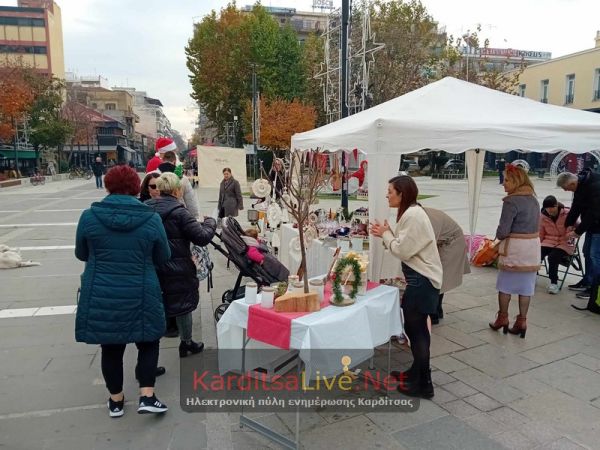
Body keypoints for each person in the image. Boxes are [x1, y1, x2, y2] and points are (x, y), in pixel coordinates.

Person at [74, 165, 171, 417]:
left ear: (107, 185)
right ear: (134, 187)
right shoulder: (151, 219)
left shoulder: (88, 217)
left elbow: (81, 253)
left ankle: (116, 401)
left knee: (111, 347)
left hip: (103, 292)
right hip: (142, 290)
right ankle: (147, 395)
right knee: (149, 341)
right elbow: (163, 256)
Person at [370, 175, 442, 399]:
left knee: (417, 331)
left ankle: (424, 383)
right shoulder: (411, 213)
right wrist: (388, 234)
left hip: (422, 280)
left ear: (402, 193)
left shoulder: (413, 215)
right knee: (414, 330)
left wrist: (386, 234)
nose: (387, 195)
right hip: (420, 279)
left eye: (390, 191)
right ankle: (416, 373)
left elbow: (402, 250)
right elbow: (402, 245)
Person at [146, 172, 217, 357]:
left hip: (152, 267)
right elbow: (201, 237)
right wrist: (210, 222)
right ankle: (186, 343)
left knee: (156, 305)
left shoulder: (145, 208)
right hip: (178, 268)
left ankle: (149, 352)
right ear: (178, 190)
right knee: (183, 305)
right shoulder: (180, 212)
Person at [489, 164, 540, 338]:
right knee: (526, 288)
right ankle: (522, 321)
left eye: (507, 180)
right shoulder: (533, 199)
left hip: (516, 248)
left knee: (505, 286)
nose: (504, 184)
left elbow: (503, 231)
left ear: (516, 181)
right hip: (532, 247)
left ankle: (502, 318)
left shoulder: (511, 201)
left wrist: (497, 236)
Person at [557, 169, 600, 312]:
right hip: (592, 225)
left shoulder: (595, 186)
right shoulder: (579, 186)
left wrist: (577, 231)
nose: (566, 191)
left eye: (566, 188)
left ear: (573, 183)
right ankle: (587, 280)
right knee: (586, 252)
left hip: (598, 224)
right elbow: (576, 207)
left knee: (594, 256)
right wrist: (568, 224)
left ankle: (594, 288)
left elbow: (594, 212)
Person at [423, 207, 470, 324]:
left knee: (437, 279)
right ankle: (437, 310)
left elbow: (427, 243)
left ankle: (433, 313)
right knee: (438, 278)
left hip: (452, 245)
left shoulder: (429, 219)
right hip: (444, 243)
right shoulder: (423, 215)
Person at [153, 137, 199, 219]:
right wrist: (195, 219)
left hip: (156, 218)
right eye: (174, 151)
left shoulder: (151, 176)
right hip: (178, 217)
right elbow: (191, 202)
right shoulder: (182, 178)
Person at [539, 195, 576, 294]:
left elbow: (578, 226)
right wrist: (537, 244)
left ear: (556, 205)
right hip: (548, 241)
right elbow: (541, 233)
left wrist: (573, 233)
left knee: (553, 257)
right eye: (547, 209)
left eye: (552, 208)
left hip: (564, 242)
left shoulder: (567, 213)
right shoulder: (542, 216)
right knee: (536, 253)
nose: (550, 211)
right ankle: (531, 276)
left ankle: (554, 282)